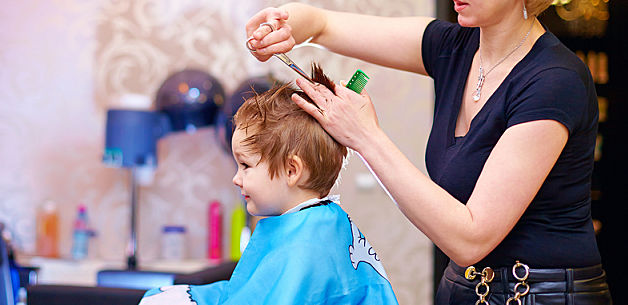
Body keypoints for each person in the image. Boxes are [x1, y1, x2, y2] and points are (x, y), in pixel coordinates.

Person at [245, 1, 612, 304]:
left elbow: (470, 239)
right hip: (464, 291)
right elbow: (322, 25)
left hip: (540, 295)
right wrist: (287, 24)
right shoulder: (454, 47)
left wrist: (366, 136)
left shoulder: (555, 81)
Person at [138, 65, 399, 305]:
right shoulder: (317, 223)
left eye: (246, 166)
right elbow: (248, 292)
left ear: (291, 170)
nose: (236, 178)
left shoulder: (305, 247)